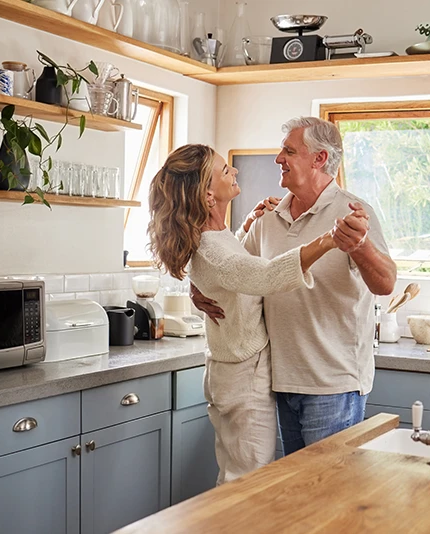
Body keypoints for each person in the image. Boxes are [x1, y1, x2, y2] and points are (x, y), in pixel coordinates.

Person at [147, 143, 356, 484]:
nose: (236, 171)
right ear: (208, 194)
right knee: (247, 482)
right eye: (225, 171)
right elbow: (263, 276)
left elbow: (232, 271)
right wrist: (328, 239)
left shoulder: (216, 235)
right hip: (242, 377)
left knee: (238, 475)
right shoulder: (211, 248)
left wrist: (246, 226)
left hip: (233, 370)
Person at [193, 117, 397, 455]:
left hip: (333, 385)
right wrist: (198, 289)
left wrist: (360, 246)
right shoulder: (268, 219)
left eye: (289, 151)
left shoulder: (353, 212)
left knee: (328, 496)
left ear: (319, 159)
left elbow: (386, 283)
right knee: (298, 496)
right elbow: (237, 276)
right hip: (280, 381)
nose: (278, 159)